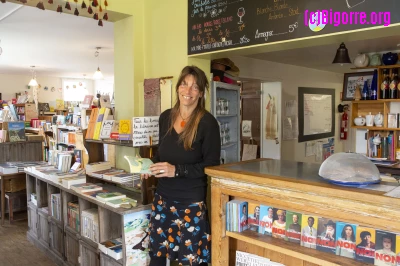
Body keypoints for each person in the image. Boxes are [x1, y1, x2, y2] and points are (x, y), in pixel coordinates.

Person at [143, 66, 221, 266]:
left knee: (191, 261)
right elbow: (162, 154)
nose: (188, 91)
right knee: (157, 258)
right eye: (184, 85)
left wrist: (175, 170)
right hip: (163, 199)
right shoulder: (165, 117)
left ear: (201, 93)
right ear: (178, 87)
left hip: (190, 203)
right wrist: (147, 167)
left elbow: (211, 166)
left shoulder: (208, 123)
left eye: (195, 87)